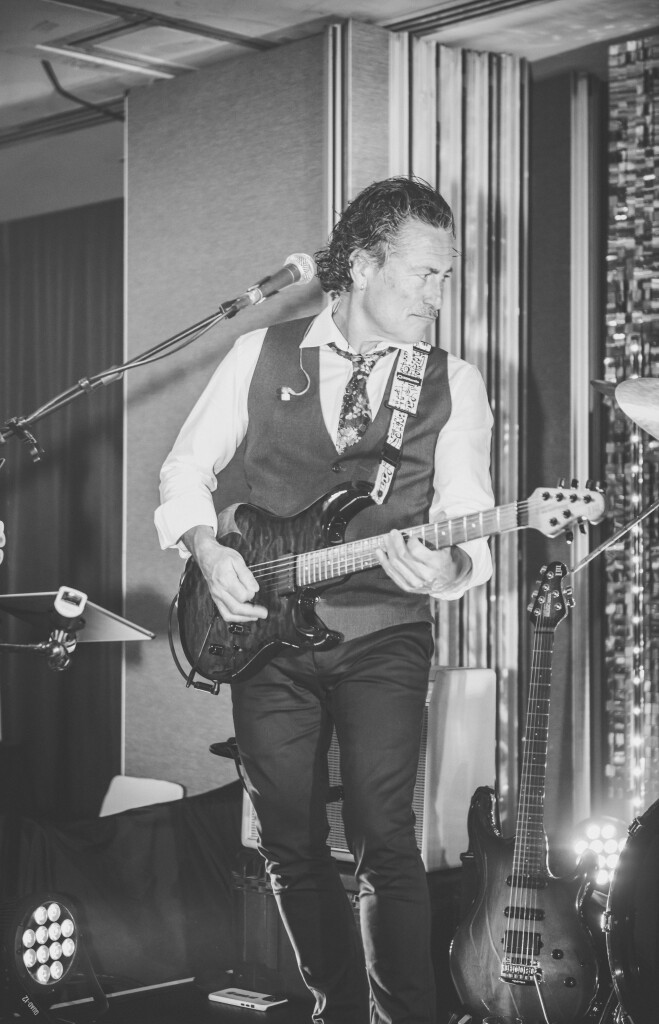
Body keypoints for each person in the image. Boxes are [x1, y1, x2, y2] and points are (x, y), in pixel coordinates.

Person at [155, 176, 494, 1024]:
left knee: (385, 836)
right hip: (264, 636)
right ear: (365, 264)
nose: (437, 293)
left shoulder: (452, 380)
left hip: (384, 633)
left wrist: (445, 569)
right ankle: (334, 1008)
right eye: (424, 272)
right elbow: (185, 468)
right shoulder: (259, 354)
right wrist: (206, 550)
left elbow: (467, 517)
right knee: (288, 844)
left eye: (444, 276)